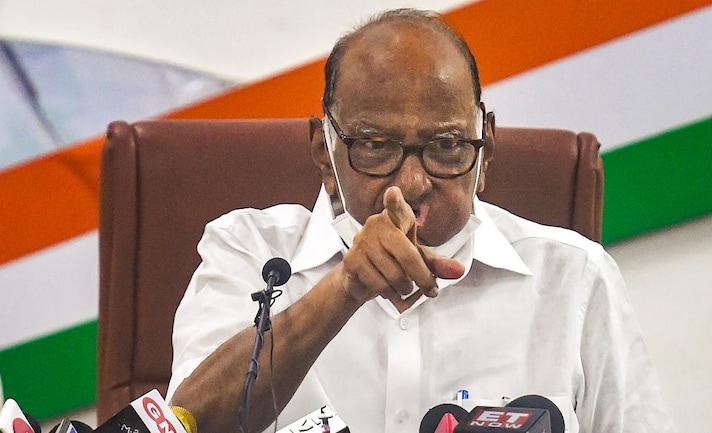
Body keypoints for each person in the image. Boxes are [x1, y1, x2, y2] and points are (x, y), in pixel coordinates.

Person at [167, 8, 675, 433]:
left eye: (447, 146)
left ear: (486, 149)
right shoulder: (251, 255)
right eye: (376, 145)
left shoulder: (574, 277)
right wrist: (343, 289)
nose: (411, 184)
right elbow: (187, 425)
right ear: (324, 151)